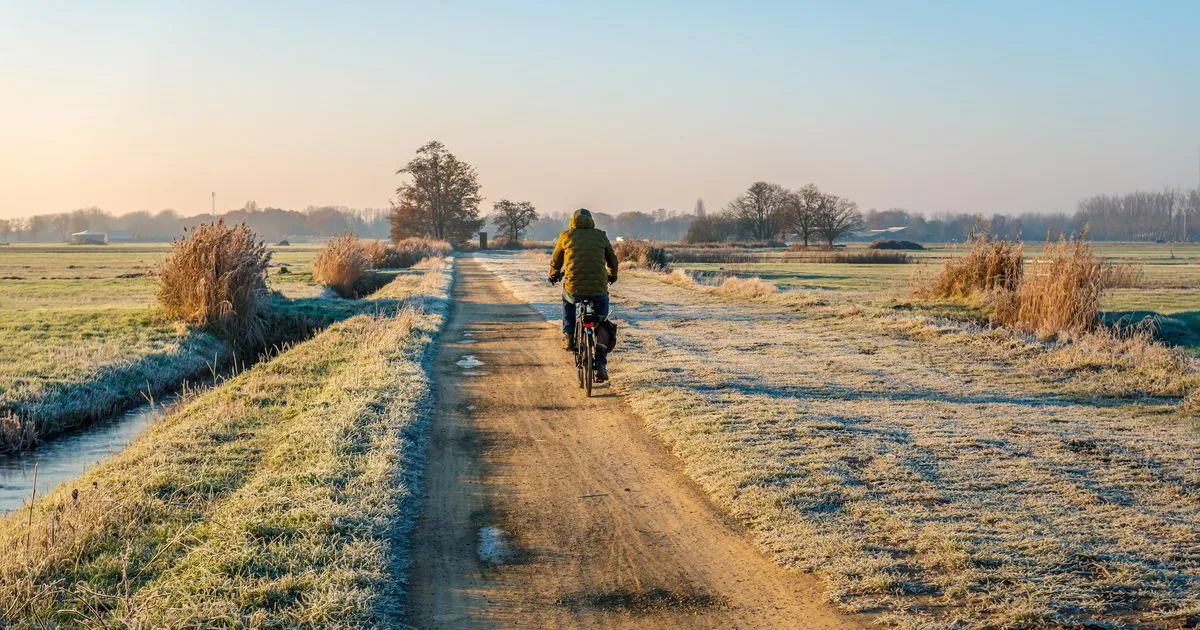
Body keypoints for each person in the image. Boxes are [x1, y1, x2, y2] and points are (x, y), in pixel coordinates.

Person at [549, 208, 619, 382]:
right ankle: (601, 363)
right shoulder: (601, 235)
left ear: (573, 221)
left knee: (567, 300)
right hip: (598, 289)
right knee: (601, 320)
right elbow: (612, 260)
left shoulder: (566, 236)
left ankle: (569, 335)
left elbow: (556, 260)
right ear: (591, 221)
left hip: (574, 287)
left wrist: (553, 274)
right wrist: (612, 275)